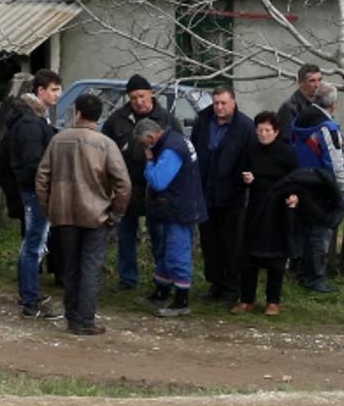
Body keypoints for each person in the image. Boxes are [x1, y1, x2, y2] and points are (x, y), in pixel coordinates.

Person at [36, 94, 131, 336]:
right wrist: (116, 213)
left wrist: (49, 208)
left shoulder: (58, 140)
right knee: (90, 267)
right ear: (99, 116)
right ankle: (86, 319)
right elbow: (123, 183)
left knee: (71, 267)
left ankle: (72, 317)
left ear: (77, 113)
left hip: (64, 214)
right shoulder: (105, 144)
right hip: (96, 214)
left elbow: (42, 178)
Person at [101, 73, 174, 293]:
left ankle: (162, 280)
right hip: (127, 187)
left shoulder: (167, 119)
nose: (138, 102)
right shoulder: (117, 120)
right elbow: (105, 149)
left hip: (156, 188)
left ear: (151, 93)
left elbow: (176, 150)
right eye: (133, 98)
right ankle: (127, 278)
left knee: (159, 236)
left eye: (141, 96)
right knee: (126, 235)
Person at [134, 118, 207, 317]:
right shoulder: (176, 139)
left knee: (177, 252)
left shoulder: (171, 149)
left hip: (179, 210)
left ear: (150, 137)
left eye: (143, 144)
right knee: (166, 251)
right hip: (177, 206)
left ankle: (181, 300)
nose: (144, 148)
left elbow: (158, 181)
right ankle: (162, 290)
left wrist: (149, 161)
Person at [5, 69, 62, 319]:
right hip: (34, 191)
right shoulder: (29, 122)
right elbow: (32, 162)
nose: (58, 94)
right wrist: (44, 186)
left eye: (59, 89)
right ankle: (30, 300)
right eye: (53, 90)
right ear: (40, 91)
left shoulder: (38, 117)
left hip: (35, 189)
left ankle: (29, 292)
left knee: (33, 243)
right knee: (34, 245)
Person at [190, 86, 255, 303]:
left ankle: (231, 287)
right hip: (205, 191)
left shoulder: (245, 127)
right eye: (216, 102)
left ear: (233, 102)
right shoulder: (203, 121)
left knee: (231, 243)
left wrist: (241, 181)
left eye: (223, 103)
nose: (219, 107)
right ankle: (215, 284)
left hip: (232, 193)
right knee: (210, 242)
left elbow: (249, 157)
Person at [232, 111, 300, 316]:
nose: (263, 134)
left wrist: (294, 196)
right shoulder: (250, 151)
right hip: (255, 207)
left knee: (276, 258)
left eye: (267, 130)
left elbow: (296, 179)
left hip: (278, 209)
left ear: (276, 131)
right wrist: (245, 179)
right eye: (259, 130)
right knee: (249, 257)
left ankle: (273, 301)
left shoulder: (286, 152)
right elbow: (238, 175)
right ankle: (246, 299)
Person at [290, 81, 344, 293]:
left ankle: (302, 273)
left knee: (306, 232)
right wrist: (343, 189)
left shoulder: (300, 120)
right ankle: (315, 278)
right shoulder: (327, 127)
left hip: (303, 181)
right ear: (333, 105)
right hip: (323, 187)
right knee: (319, 234)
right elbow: (334, 162)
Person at [276, 62, 323, 140]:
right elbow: (286, 140)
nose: (317, 85)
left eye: (319, 80)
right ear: (301, 83)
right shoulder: (289, 108)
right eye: (312, 81)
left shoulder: (321, 104)